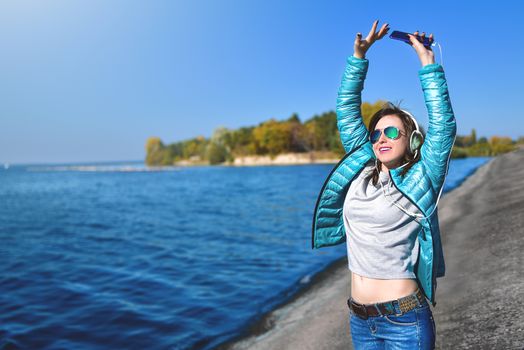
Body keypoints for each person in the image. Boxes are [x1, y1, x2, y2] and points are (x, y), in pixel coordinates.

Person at [311, 19, 456, 349]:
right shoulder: (361, 170)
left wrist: (427, 63)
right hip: (359, 320)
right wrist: (358, 58)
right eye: (376, 133)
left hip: (404, 319)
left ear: (412, 140)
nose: (381, 138)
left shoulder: (423, 176)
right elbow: (347, 110)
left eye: (392, 132)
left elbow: (444, 125)